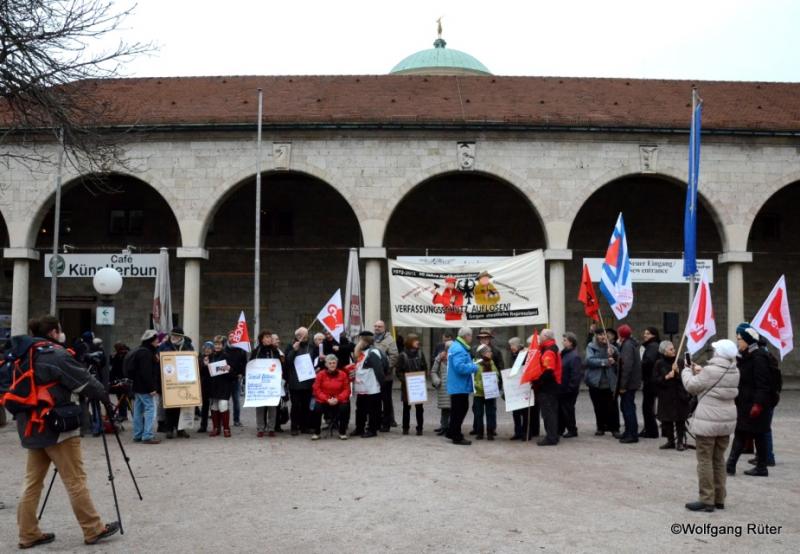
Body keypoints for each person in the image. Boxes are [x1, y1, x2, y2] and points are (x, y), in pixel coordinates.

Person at [10, 315, 120, 548]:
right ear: (52, 332)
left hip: (30, 426)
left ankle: (27, 533)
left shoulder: (22, 355)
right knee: (75, 480)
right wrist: (104, 395)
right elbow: (86, 383)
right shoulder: (54, 354)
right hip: (57, 426)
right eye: (59, 330)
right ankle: (93, 528)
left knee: (32, 482)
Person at [682, 339, 739, 512]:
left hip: (708, 421)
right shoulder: (735, 370)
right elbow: (713, 378)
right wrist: (700, 370)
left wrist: (686, 370)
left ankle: (707, 499)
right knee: (719, 459)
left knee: (705, 460)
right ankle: (720, 498)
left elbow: (691, 386)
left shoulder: (710, 370)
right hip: (726, 420)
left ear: (719, 353)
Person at [726, 323, 775, 477]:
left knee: (747, 433)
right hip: (746, 402)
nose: (737, 341)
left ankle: (732, 466)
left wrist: (758, 404)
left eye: (739, 339)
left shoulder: (759, 356)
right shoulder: (747, 356)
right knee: (752, 433)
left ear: (748, 340)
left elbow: (763, 384)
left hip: (755, 404)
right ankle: (760, 466)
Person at [653, 340, 690, 450]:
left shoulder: (680, 362)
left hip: (679, 395)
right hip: (666, 396)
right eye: (671, 349)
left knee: (680, 420)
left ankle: (680, 442)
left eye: (674, 348)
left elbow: (686, 378)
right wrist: (666, 377)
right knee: (667, 419)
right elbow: (655, 380)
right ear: (664, 352)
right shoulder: (659, 363)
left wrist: (678, 372)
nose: (674, 351)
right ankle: (670, 440)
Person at [158, 326, 195, 439]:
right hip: (169, 380)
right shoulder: (164, 346)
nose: (174, 337)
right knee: (170, 405)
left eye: (177, 336)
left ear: (181, 337)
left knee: (182, 405)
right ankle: (169, 429)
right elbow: (158, 360)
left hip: (184, 379)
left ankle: (180, 429)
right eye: (172, 335)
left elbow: (193, 360)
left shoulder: (188, 346)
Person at [585, 328, 620, 436]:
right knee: (598, 406)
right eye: (600, 335)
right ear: (596, 336)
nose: (603, 337)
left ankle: (615, 428)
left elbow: (618, 361)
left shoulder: (612, 347)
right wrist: (605, 362)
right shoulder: (591, 346)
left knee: (612, 406)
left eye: (604, 335)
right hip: (595, 381)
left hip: (609, 382)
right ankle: (600, 427)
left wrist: (613, 355)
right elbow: (589, 361)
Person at [447, 327, 479, 445]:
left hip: (458, 384)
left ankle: (451, 431)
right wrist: (474, 367)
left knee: (457, 410)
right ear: (466, 336)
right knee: (460, 410)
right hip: (459, 385)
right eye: (471, 336)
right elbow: (460, 367)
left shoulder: (457, 346)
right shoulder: (459, 348)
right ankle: (456, 436)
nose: (471, 338)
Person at [350, 331, 385, 438]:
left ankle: (372, 429)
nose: (358, 342)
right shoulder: (362, 352)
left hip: (372, 387)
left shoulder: (373, 352)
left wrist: (381, 385)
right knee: (360, 409)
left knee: (373, 410)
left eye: (360, 340)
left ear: (365, 341)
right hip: (362, 387)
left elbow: (379, 370)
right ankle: (359, 428)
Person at [130, 330, 162, 444]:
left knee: (138, 411)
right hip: (145, 387)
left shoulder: (141, 350)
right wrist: (152, 388)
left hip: (138, 387)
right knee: (150, 409)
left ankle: (137, 434)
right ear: (151, 340)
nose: (158, 341)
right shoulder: (146, 353)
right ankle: (147, 435)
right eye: (156, 339)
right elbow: (146, 372)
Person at [285, 327, 318, 436]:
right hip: (295, 383)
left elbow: (315, 362)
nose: (306, 337)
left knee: (306, 406)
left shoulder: (311, 347)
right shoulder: (290, 346)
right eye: (304, 335)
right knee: (296, 406)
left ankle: (305, 426)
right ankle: (294, 427)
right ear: (298, 336)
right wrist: (294, 350)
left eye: (306, 335)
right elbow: (288, 362)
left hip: (308, 382)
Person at [311, 354, 351, 440]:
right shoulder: (320, 374)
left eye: (334, 363)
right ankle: (316, 432)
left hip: (338, 400)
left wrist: (338, 399)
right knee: (317, 408)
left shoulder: (343, 374)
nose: (332, 365)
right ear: (326, 364)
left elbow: (347, 390)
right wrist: (327, 399)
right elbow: (316, 389)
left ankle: (342, 432)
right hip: (324, 400)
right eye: (330, 363)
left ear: (336, 364)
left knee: (345, 407)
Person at [532, 329, 561, 446]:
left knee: (548, 413)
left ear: (546, 337)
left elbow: (548, 370)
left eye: (541, 336)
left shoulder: (548, 351)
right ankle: (554, 435)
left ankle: (551, 437)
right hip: (552, 386)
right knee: (552, 412)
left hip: (548, 387)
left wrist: (537, 381)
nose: (539, 338)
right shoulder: (552, 348)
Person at [251, 330, 283, 437]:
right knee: (260, 406)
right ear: (262, 339)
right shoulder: (256, 351)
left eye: (270, 337)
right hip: (260, 383)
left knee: (272, 406)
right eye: (267, 337)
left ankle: (271, 428)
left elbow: (279, 365)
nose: (269, 339)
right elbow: (251, 365)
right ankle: (260, 428)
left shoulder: (275, 351)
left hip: (272, 383)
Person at [395, 333, 428, 435]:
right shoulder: (402, 355)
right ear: (410, 342)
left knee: (419, 408)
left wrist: (422, 378)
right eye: (415, 340)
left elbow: (425, 367)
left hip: (418, 385)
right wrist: (405, 380)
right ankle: (405, 428)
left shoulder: (420, 353)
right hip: (407, 386)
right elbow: (398, 371)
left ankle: (420, 428)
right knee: (406, 408)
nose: (418, 342)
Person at [507, 337, 538, 441]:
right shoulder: (513, 355)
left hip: (524, 385)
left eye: (513, 345)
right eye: (510, 345)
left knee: (525, 412)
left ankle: (526, 433)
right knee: (515, 411)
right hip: (515, 386)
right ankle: (518, 432)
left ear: (519, 345)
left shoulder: (524, 354)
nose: (512, 347)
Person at [616, 324, 641, 444]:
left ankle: (632, 434)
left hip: (628, 384)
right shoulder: (630, 344)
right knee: (626, 407)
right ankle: (628, 431)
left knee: (628, 408)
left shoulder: (627, 346)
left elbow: (627, 367)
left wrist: (622, 386)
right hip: (632, 382)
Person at [373, 320, 399, 432]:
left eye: (379, 326)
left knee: (386, 400)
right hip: (373, 376)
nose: (377, 328)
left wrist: (386, 369)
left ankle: (387, 423)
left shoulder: (389, 340)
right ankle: (376, 422)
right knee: (376, 400)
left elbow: (394, 356)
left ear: (384, 327)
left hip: (385, 376)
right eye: (376, 326)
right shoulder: (372, 339)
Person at [472, 344, 502, 440]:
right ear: (483, 353)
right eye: (489, 351)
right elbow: (472, 379)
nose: (491, 353)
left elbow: (496, 373)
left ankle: (490, 432)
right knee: (478, 414)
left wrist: (496, 380)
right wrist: (481, 386)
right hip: (479, 393)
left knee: (491, 413)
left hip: (490, 393)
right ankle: (479, 432)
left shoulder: (491, 362)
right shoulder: (475, 363)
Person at [208, 335, 236, 437]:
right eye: (216, 344)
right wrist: (205, 365)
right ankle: (216, 428)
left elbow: (233, 374)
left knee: (223, 405)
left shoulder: (227, 356)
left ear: (223, 345)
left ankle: (226, 428)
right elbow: (206, 372)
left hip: (224, 385)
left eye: (219, 344)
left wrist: (229, 369)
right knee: (214, 406)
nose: (217, 346)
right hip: (213, 385)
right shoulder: (211, 356)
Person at [558, 332, 583, 438]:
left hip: (569, 389)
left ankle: (572, 430)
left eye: (565, 340)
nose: (563, 342)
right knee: (562, 409)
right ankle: (561, 429)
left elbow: (576, 374)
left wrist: (570, 388)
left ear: (571, 342)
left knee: (568, 409)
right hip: (562, 387)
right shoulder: (564, 353)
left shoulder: (574, 356)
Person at [639, 326, 661, 439]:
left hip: (650, 381)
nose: (645, 335)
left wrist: (639, 364)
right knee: (648, 406)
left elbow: (649, 362)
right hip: (650, 380)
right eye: (645, 333)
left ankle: (651, 431)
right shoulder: (652, 345)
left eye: (647, 333)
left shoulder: (652, 346)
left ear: (654, 335)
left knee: (647, 407)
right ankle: (649, 429)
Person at [225, 330, 249, 427]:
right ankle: (224, 420)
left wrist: (242, 374)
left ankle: (236, 420)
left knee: (236, 400)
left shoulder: (241, 350)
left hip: (236, 379)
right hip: (225, 379)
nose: (232, 338)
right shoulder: (224, 349)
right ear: (228, 338)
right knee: (224, 401)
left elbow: (244, 364)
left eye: (234, 336)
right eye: (230, 336)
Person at [430, 339, 452, 435]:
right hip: (443, 385)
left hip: (454, 385)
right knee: (445, 408)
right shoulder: (440, 357)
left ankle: (451, 427)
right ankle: (444, 426)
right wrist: (436, 380)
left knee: (453, 408)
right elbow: (433, 371)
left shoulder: (456, 357)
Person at [108, 343, 130, 421]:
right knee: (121, 397)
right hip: (119, 378)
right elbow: (114, 368)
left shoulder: (126, 355)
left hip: (124, 378)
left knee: (123, 397)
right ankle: (123, 414)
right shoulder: (117, 355)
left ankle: (123, 414)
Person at [198, 341, 214, 433]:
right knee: (204, 407)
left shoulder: (215, 358)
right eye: (205, 348)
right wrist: (204, 365)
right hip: (204, 385)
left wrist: (208, 365)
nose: (207, 350)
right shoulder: (200, 358)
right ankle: (203, 426)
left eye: (209, 348)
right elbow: (199, 371)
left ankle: (217, 426)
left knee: (214, 407)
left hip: (213, 385)